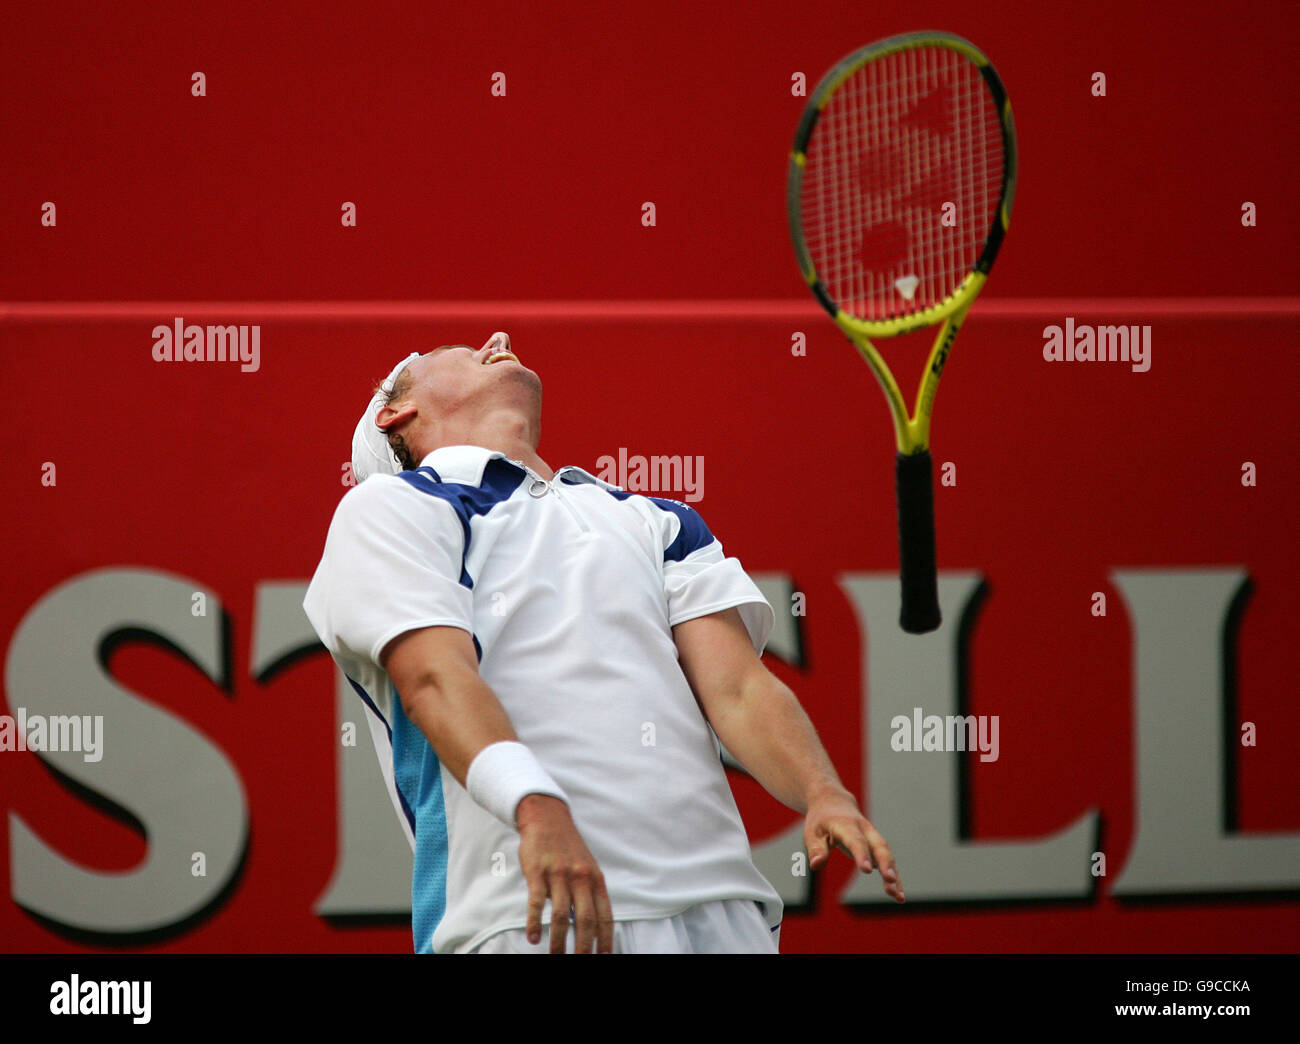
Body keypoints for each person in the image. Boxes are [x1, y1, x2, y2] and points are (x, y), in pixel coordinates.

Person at [303, 332, 903, 954]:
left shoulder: (657, 519)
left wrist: (822, 791)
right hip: (522, 916)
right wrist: (537, 809)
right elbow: (434, 678)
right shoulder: (389, 508)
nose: (498, 339)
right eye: (452, 350)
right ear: (397, 413)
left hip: (721, 911)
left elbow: (738, 690)